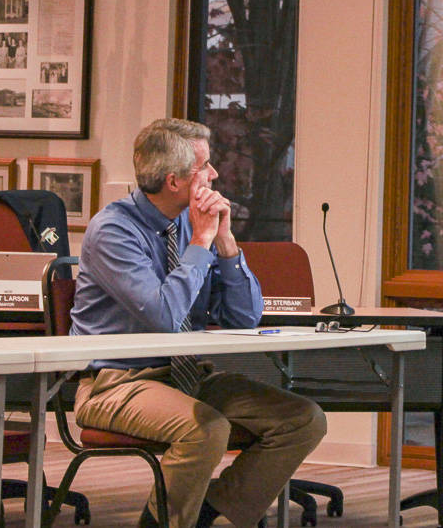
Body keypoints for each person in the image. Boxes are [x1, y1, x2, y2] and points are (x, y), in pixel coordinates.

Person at [70, 118, 326, 528]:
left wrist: (225, 244)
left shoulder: (195, 223)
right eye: (205, 166)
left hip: (186, 376)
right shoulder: (113, 230)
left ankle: (209, 512)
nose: (215, 175)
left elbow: (244, 317)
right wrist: (200, 243)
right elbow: (164, 318)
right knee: (206, 429)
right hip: (115, 383)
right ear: (174, 181)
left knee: (302, 419)